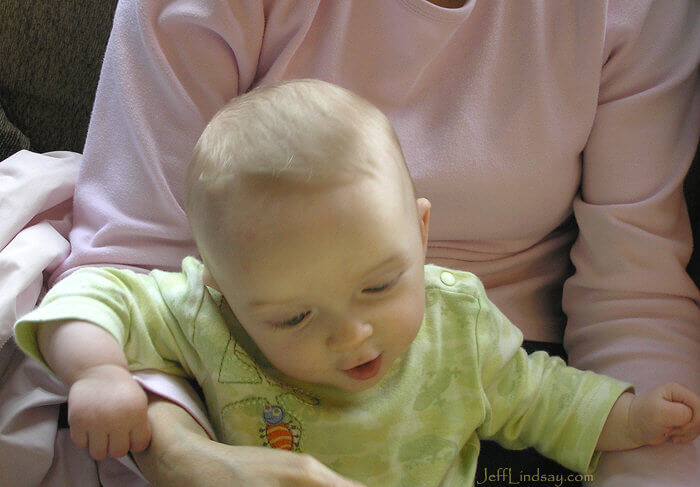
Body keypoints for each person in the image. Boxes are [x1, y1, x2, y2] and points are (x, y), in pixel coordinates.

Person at [5, 1, 697, 486]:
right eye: (299, 314)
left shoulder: (461, 332)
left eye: (380, 284)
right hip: (203, 419)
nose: (354, 333)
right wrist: (117, 390)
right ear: (217, 283)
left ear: (422, 235)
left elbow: (557, 380)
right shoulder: (202, 309)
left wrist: (636, 418)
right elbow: (113, 278)